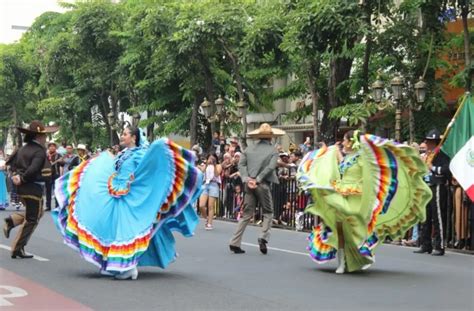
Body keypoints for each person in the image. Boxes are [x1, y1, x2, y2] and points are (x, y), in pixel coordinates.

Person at [52, 127, 203, 280]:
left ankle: (129, 267)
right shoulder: (124, 153)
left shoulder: (140, 154)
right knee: (109, 227)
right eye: (122, 134)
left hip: (128, 196)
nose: (122, 136)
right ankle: (111, 263)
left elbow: (147, 170)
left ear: (134, 138)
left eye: (125, 134)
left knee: (125, 230)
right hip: (114, 191)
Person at [297, 130, 431, 273]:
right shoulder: (347, 158)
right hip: (342, 194)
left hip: (356, 198)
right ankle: (341, 262)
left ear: (351, 142)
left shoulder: (363, 158)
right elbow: (341, 166)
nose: (342, 143)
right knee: (339, 228)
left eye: (344, 140)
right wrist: (333, 151)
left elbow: (371, 172)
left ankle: (358, 255)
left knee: (355, 229)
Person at [229, 123, 284, 254]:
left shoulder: (248, 149)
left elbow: (241, 165)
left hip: (248, 184)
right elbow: (270, 167)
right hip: (262, 184)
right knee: (268, 212)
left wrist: (247, 179)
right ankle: (263, 237)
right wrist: (258, 179)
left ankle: (234, 242)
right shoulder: (273, 151)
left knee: (246, 214)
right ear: (271, 137)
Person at [3, 121, 54, 259]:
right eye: (44, 136)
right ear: (38, 136)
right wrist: (23, 178)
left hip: (21, 188)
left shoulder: (21, 149)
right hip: (32, 188)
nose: (45, 138)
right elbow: (33, 169)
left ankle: (12, 221)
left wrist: (15, 176)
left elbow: (10, 164)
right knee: (32, 219)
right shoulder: (39, 151)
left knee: (38, 213)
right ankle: (17, 248)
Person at [414, 129, 451, 256]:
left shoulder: (442, 155)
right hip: (426, 186)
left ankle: (439, 245)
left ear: (436, 143)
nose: (428, 144)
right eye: (427, 141)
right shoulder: (426, 156)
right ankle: (425, 244)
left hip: (438, 186)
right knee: (425, 216)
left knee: (437, 217)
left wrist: (433, 168)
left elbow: (447, 170)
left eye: (431, 142)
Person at [199, 153, 222, 230]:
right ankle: (207, 218)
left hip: (213, 185)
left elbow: (216, 174)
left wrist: (214, 165)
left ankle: (209, 224)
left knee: (210, 206)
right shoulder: (205, 165)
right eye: (210, 158)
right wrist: (206, 164)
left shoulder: (218, 166)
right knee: (201, 205)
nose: (211, 160)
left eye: (213, 159)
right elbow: (202, 171)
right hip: (205, 184)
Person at [45, 142, 61, 211]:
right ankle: (48, 206)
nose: (52, 147)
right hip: (47, 175)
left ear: (55, 147)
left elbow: (62, 164)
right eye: (50, 146)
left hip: (56, 174)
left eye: (53, 146)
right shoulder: (45, 155)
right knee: (47, 191)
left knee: (56, 190)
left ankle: (57, 206)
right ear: (48, 148)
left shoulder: (58, 155)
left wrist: (61, 161)